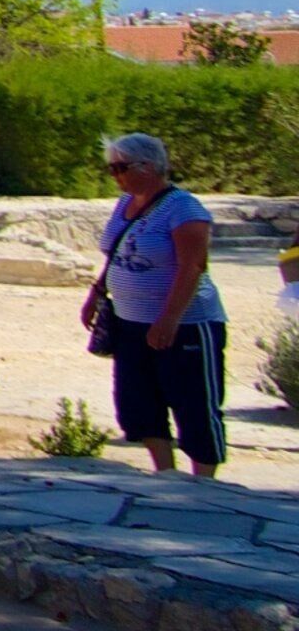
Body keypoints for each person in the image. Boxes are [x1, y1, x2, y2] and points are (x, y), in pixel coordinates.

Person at [85, 133, 225, 477]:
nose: (114, 175)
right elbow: (117, 252)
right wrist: (97, 292)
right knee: (139, 399)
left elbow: (193, 265)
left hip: (187, 323)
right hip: (130, 321)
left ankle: (203, 481)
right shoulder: (125, 204)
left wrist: (169, 319)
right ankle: (164, 473)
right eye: (111, 168)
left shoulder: (184, 208)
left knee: (193, 402)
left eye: (120, 168)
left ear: (147, 167)